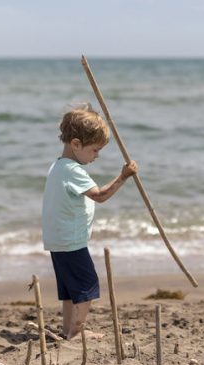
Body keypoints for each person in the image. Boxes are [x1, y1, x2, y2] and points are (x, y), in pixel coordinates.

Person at [42, 103, 138, 339]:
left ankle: (67, 330)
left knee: (69, 290)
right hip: (71, 240)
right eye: (95, 150)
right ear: (76, 144)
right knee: (87, 286)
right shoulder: (73, 170)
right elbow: (100, 195)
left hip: (57, 240)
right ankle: (77, 332)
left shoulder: (58, 166)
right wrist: (123, 176)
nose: (96, 156)